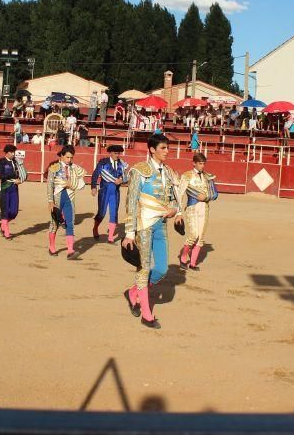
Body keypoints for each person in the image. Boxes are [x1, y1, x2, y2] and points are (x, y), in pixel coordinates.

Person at [122, 134, 183, 329]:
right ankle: (147, 315)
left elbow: (173, 198)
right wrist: (129, 233)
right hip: (144, 224)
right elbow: (131, 202)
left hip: (161, 224)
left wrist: (175, 209)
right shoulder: (139, 171)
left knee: (162, 269)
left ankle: (133, 292)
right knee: (144, 267)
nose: (167, 151)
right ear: (152, 150)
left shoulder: (168, 172)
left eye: (167, 148)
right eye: (163, 148)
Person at [178, 153, 218, 271]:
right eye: (200, 163)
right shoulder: (187, 176)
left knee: (200, 238)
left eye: (203, 163)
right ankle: (183, 257)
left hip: (204, 208)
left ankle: (193, 263)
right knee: (193, 235)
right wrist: (179, 213)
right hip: (192, 207)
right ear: (194, 163)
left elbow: (215, 194)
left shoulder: (208, 176)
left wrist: (205, 198)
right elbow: (179, 194)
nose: (202, 166)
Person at [46, 145, 86, 258]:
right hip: (57, 198)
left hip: (70, 197)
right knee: (54, 224)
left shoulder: (74, 168)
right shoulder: (54, 168)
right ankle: (52, 247)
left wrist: (72, 184)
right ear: (62, 155)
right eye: (67, 157)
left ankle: (70, 251)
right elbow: (50, 185)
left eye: (71, 157)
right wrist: (50, 201)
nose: (69, 160)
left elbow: (82, 181)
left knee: (70, 223)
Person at [91, 144, 129, 244]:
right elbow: (95, 174)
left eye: (118, 153)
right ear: (111, 153)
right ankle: (95, 228)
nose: (117, 155)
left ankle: (110, 237)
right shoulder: (103, 162)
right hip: (104, 191)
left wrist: (121, 179)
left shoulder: (121, 164)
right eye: (115, 153)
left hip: (115, 192)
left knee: (114, 213)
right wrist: (93, 187)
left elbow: (125, 177)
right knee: (102, 213)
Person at [0, 144, 25, 240]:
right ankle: (6, 232)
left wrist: (20, 179)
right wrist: (13, 177)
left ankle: (3, 223)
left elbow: (22, 173)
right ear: (7, 152)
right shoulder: (1, 162)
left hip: (14, 187)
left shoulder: (16, 162)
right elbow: (1, 176)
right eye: (12, 152)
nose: (13, 154)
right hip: (5, 188)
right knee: (5, 211)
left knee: (14, 211)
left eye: (14, 152)